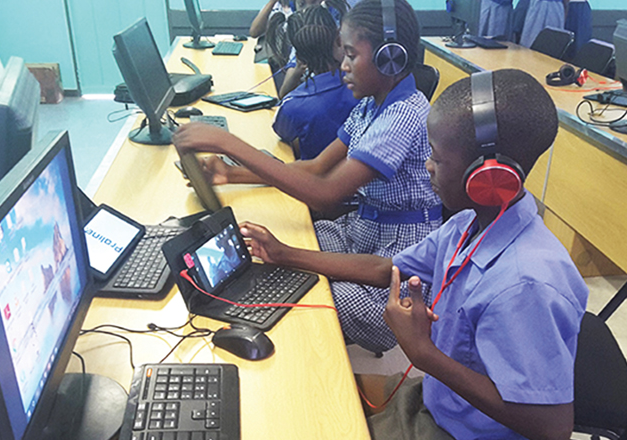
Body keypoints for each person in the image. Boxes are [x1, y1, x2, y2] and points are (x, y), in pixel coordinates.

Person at [238, 69, 588, 440]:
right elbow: (385, 269)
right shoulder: (467, 225)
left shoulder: (524, 284)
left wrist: (424, 353)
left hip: (463, 439)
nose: (427, 167)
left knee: (324, 433)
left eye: (437, 158)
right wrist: (284, 253)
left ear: (487, 175)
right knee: (315, 394)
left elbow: (553, 429)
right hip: (438, 400)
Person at [174, 0, 442, 353]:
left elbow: (325, 193)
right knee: (271, 249)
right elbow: (316, 167)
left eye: (351, 55)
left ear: (388, 58)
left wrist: (228, 143)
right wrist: (232, 173)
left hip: (396, 265)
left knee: (309, 295)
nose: (343, 66)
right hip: (362, 231)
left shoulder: (403, 115)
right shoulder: (372, 104)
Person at [267, 6, 359, 160]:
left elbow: (282, 132)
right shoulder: (366, 86)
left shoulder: (292, 105)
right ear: (339, 39)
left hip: (315, 173)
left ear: (299, 57)